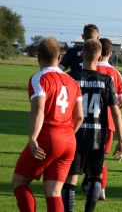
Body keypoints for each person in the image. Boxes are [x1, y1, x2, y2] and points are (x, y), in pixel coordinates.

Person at [12, 37, 84, 212]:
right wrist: (67, 135)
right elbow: (80, 117)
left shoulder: (39, 79)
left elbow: (38, 109)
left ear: (38, 57)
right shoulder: (73, 82)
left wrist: (33, 138)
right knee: (54, 192)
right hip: (69, 141)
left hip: (48, 137)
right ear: (59, 58)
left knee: (19, 182)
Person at [62, 39, 122, 212]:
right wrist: (121, 139)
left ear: (81, 55)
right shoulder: (106, 80)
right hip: (97, 136)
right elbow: (116, 111)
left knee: (71, 178)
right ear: (100, 57)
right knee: (95, 175)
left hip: (74, 135)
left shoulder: (70, 78)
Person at [80, 37, 122, 200]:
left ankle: (80, 181)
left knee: (81, 154)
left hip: (84, 119)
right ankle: (100, 190)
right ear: (111, 53)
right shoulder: (115, 73)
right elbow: (121, 101)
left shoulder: (87, 68)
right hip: (108, 124)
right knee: (99, 157)